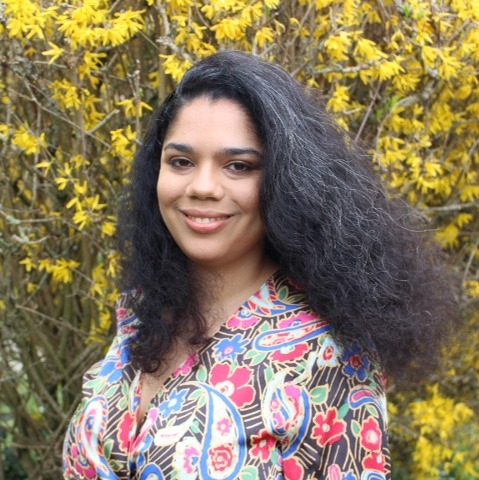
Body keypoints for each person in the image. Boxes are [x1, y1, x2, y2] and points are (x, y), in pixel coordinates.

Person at [63, 50, 454, 479]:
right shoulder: (139, 315)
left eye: (238, 166)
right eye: (181, 161)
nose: (203, 186)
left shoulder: (331, 359)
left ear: (287, 182)